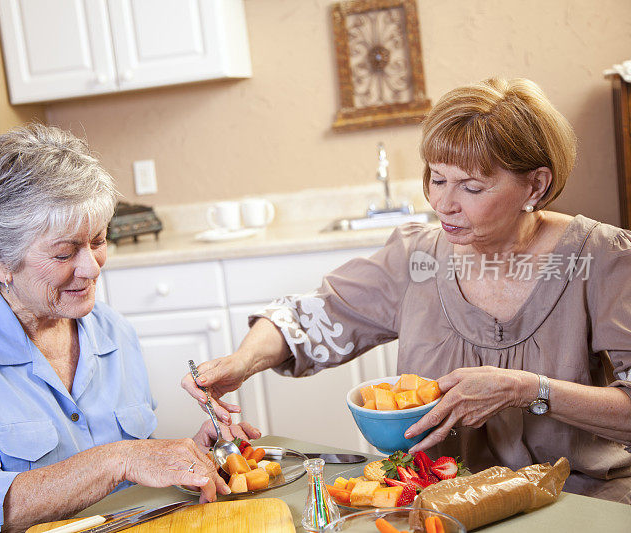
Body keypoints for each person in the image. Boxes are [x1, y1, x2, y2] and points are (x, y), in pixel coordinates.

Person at [182, 78, 631, 503]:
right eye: (437, 178)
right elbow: (309, 315)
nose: (443, 203)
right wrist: (243, 362)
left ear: (536, 184)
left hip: (580, 499)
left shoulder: (602, 258)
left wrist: (528, 389)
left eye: (472, 186)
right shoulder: (416, 259)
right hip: (441, 497)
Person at [0, 124, 259, 533]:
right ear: (0, 261)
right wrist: (120, 459)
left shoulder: (113, 331)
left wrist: (182, 459)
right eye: (64, 253)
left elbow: (119, 480)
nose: (92, 268)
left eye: (97, 240)